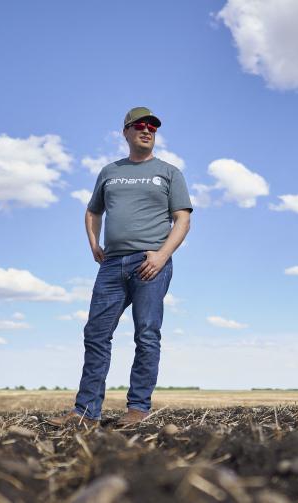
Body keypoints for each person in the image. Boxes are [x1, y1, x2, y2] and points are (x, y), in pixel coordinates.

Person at [48, 107, 192, 428]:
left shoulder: (169, 173)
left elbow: (183, 219)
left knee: (147, 335)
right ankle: (85, 413)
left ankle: (137, 410)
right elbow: (92, 211)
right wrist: (94, 244)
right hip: (112, 265)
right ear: (125, 131)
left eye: (152, 127)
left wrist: (162, 255)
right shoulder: (110, 172)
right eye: (140, 125)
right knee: (96, 334)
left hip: (150, 263)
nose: (147, 130)